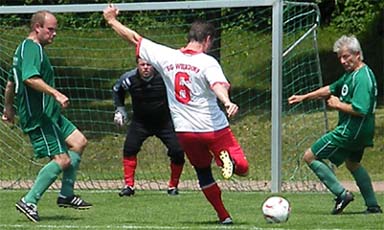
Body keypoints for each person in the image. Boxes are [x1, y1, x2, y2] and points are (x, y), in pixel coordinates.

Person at [103, 5, 249, 225]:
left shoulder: (166, 56)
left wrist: (112, 21)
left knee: (203, 173)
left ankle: (224, 216)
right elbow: (218, 84)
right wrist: (227, 101)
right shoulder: (207, 62)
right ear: (208, 40)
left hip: (185, 132)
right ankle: (224, 160)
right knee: (243, 169)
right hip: (213, 129)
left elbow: (134, 38)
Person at [2, 10, 92, 223]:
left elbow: (10, 83)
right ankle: (29, 200)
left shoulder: (23, 49)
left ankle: (66, 195)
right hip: (39, 115)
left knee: (78, 142)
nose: (54, 34)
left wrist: (8, 108)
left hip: (51, 113)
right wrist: (56, 93)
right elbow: (29, 78)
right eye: (50, 29)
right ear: (37, 28)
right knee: (61, 159)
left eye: (55, 30)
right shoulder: (32, 48)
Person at [288, 35, 382, 215]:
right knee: (353, 163)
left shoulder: (362, 78)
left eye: (346, 56)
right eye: (340, 57)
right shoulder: (351, 75)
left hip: (351, 130)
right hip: (361, 131)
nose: (343, 61)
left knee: (310, 156)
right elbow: (331, 89)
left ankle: (341, 194)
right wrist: (304, 97)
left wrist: (338, 105)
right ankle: (373, 206)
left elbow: (361, 109)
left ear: (358, 54)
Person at [112, 57, 185, 196]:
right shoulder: (129, 79)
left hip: (165, 122)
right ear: (137, 65)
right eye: (142, 64)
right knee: (129, 149)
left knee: (177, 151)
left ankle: (173, 186)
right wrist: (120, 109)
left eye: (148, 65)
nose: (145, 67)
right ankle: (129, 186)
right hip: (140, 122)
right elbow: (117, 90)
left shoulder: (165, 77)